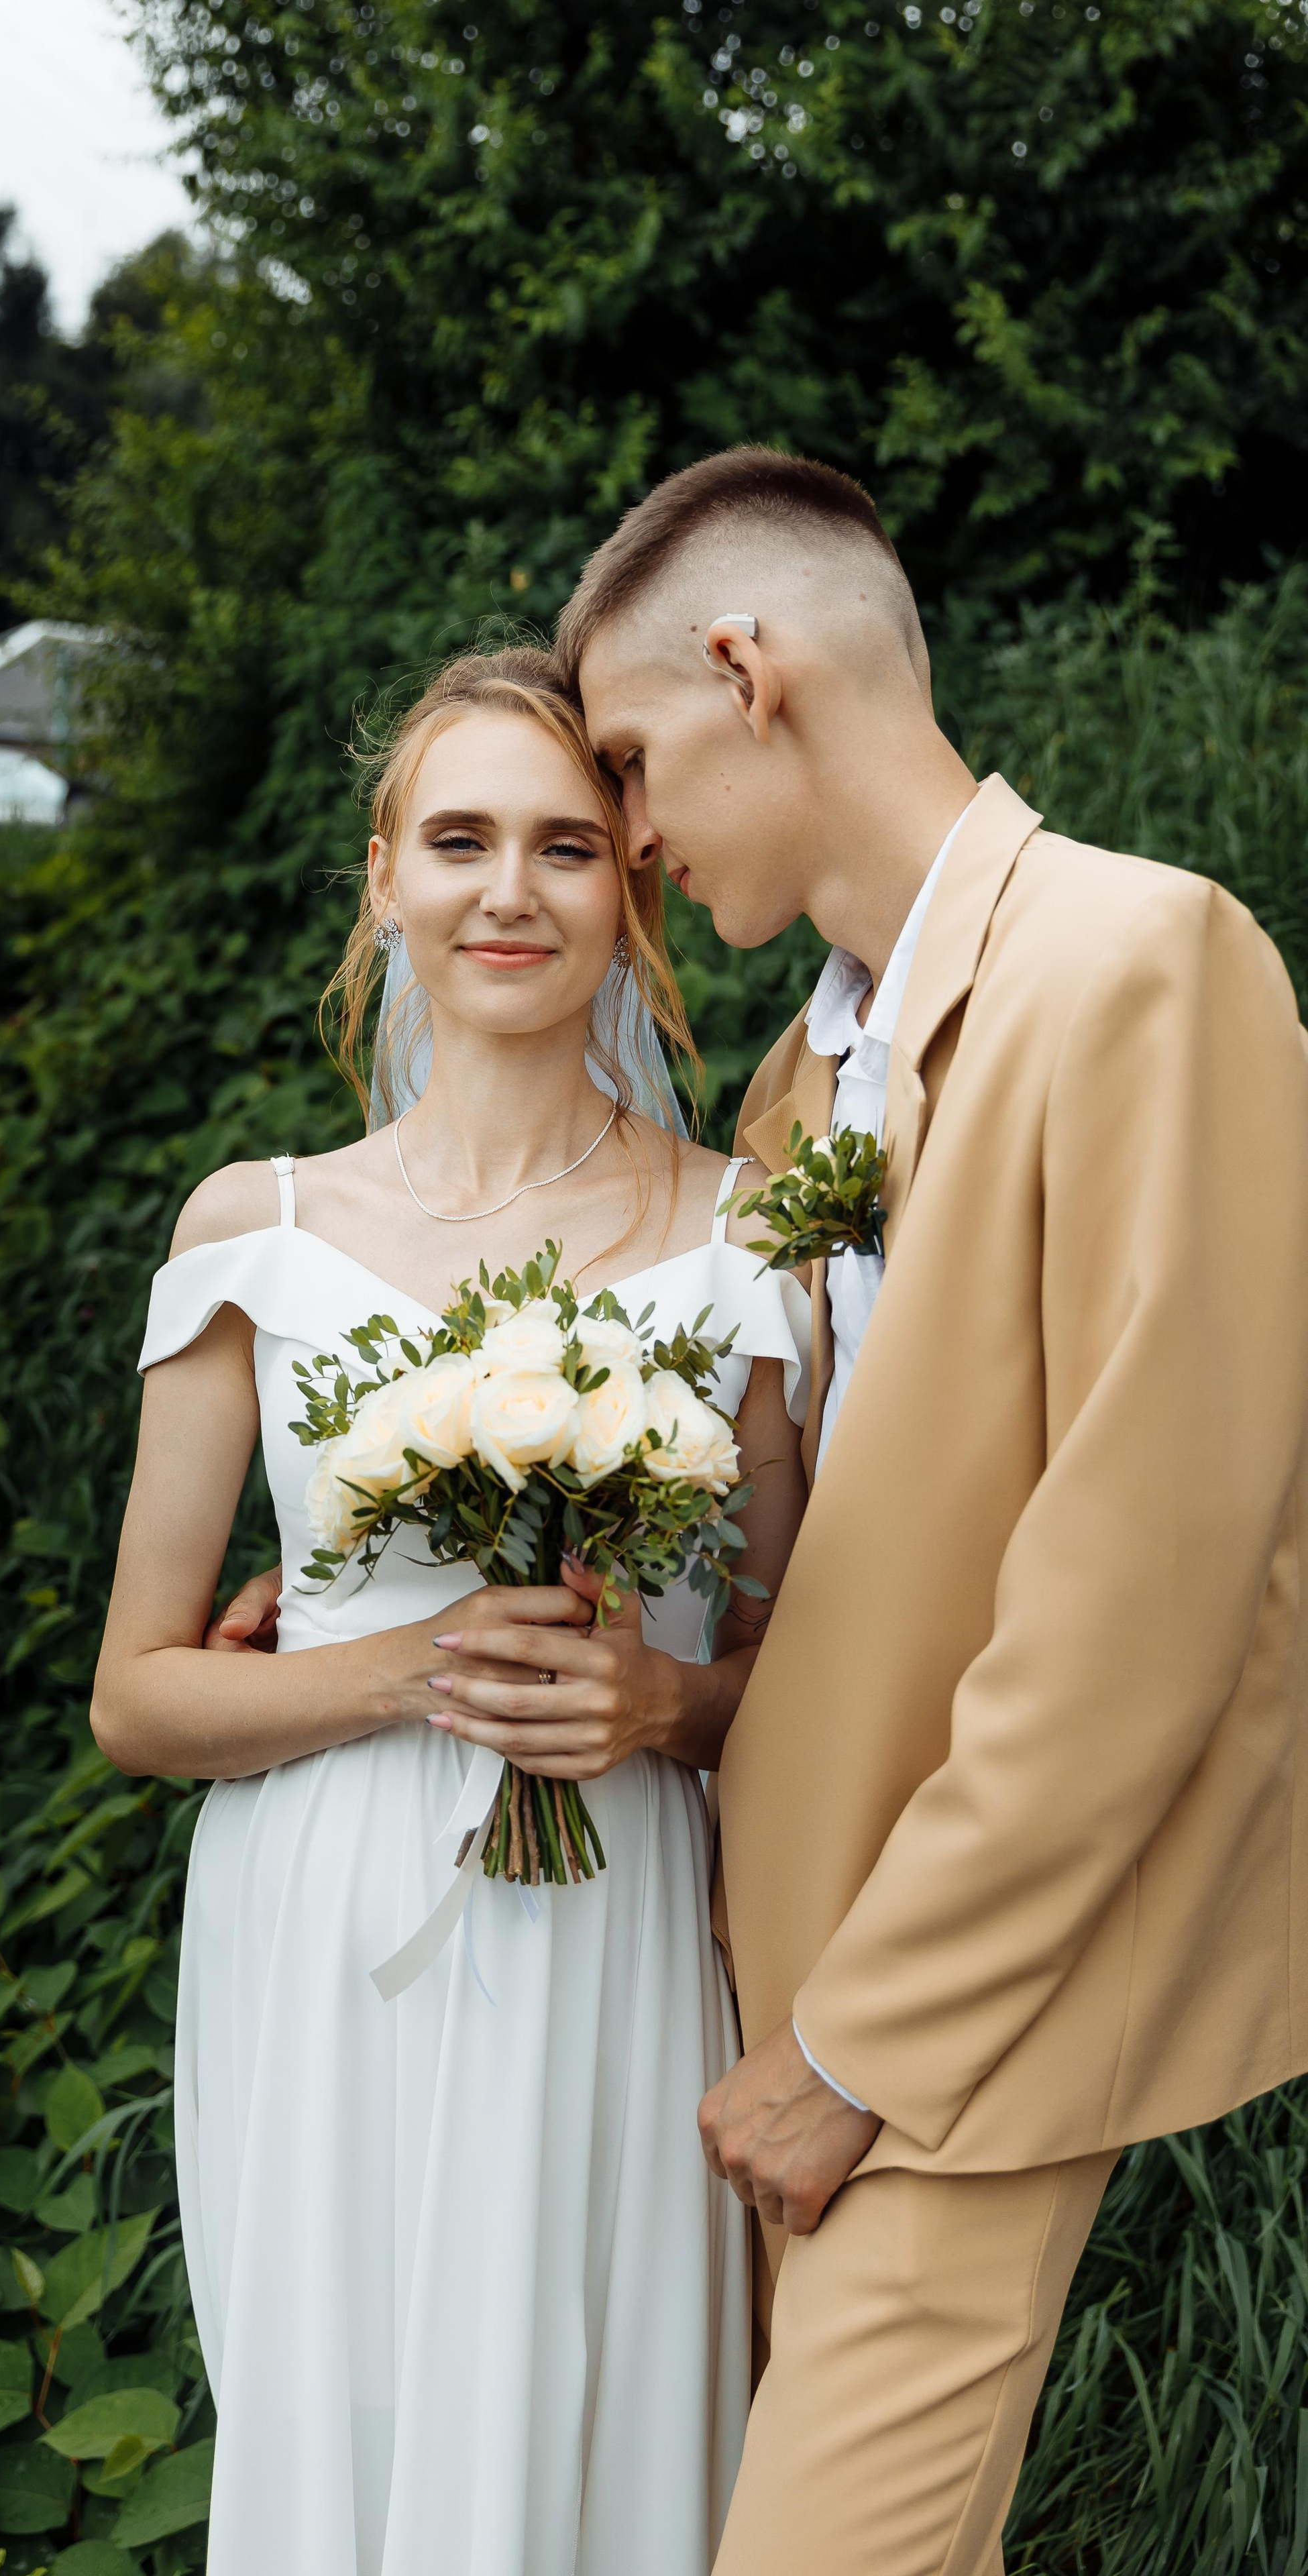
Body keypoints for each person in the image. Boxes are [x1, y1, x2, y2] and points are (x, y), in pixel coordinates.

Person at [542, 443, 1308, 2575]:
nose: (628, 837)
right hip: (743, 1965)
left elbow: (1141, 1591)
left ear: (747, 663)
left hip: (952, 2009)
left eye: (628, 758)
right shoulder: (807, 1084)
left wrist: (861, 2045)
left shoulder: (1144, 958)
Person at [91, 648, 811, 2576]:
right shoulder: (257, 1230)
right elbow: (140, 1700)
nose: (513, 891)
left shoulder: (742, 1233)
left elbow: (807, 1667)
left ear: (632, 891)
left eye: (568, 846)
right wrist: (405, 1665)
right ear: (386, 879)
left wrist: (663, 1708)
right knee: (355, 2422)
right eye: (464, 839)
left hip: (618, 1916)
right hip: (326, 1914)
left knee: (597, 2411)